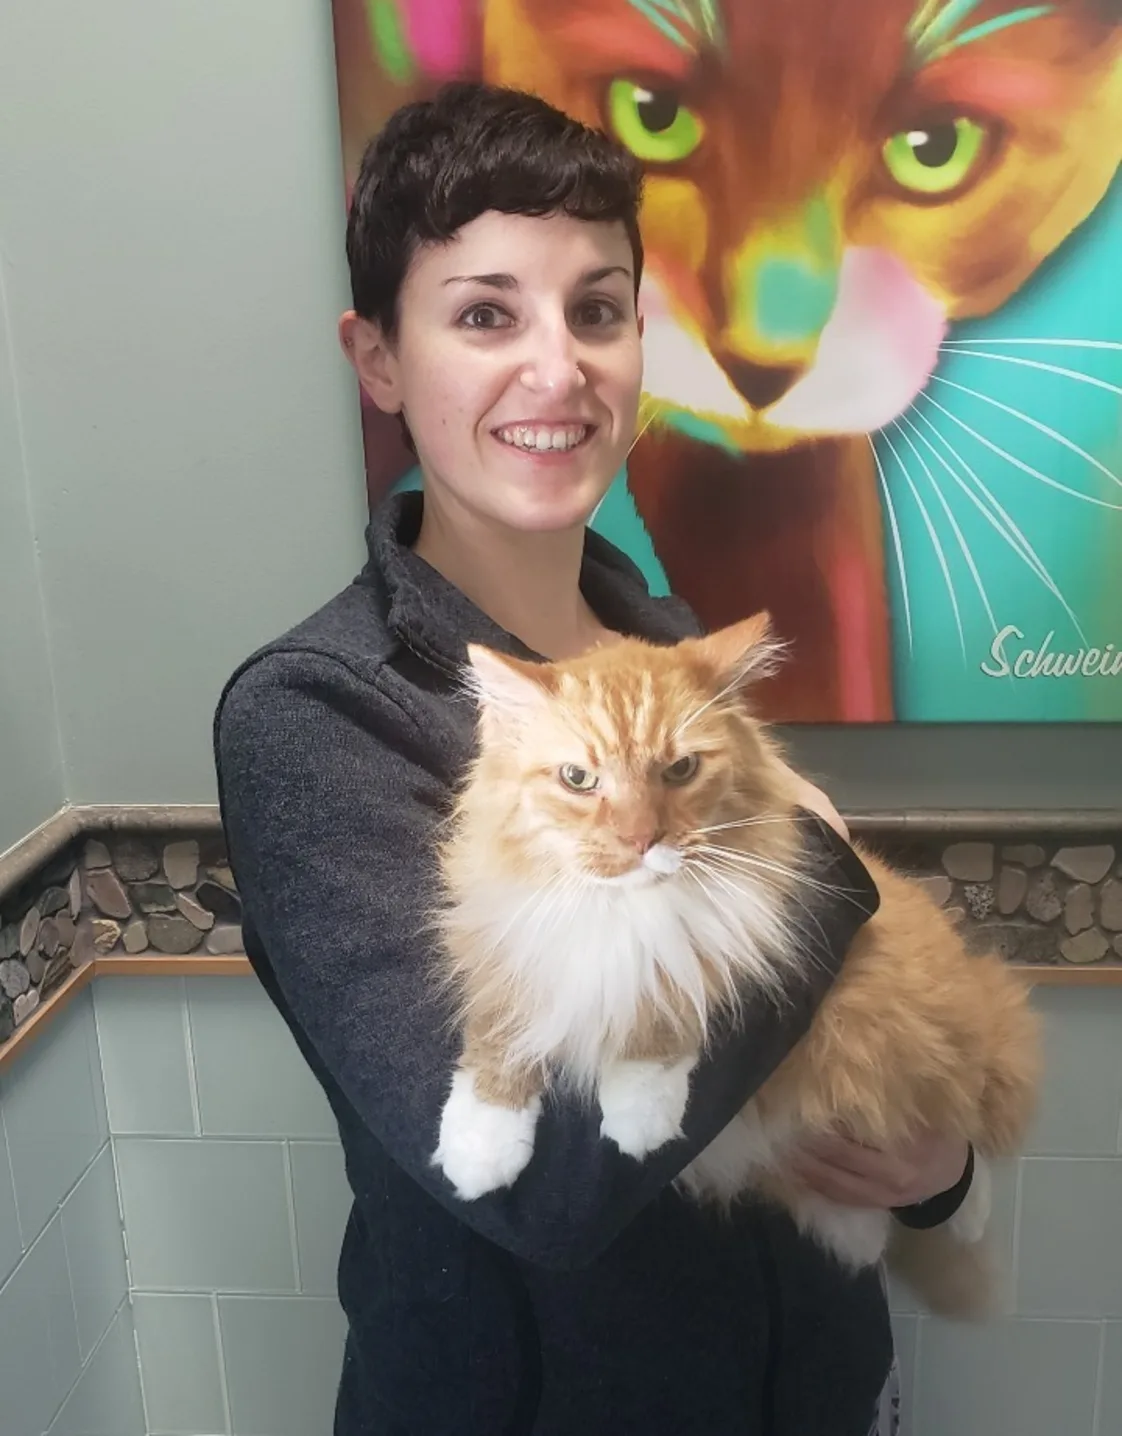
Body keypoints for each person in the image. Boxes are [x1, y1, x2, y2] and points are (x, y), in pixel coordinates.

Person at [214, 81, 979, 1436]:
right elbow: (545, 1193)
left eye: (598, 310)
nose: (557, 369)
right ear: (378, 360)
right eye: (485, 315)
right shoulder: (319, 714)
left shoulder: (671, 646)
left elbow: (811, 1029)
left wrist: (930, 1166)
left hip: (813, 1385)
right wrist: (818, 869)